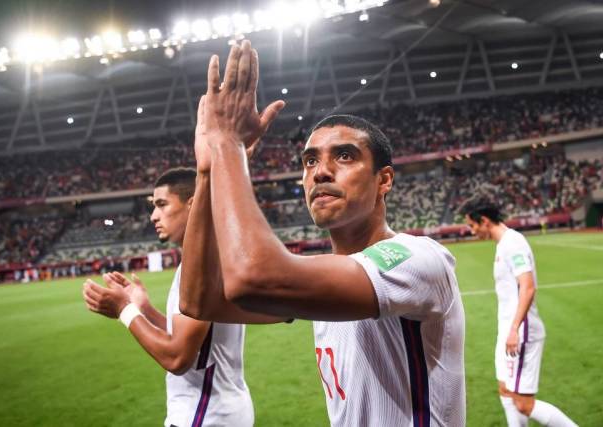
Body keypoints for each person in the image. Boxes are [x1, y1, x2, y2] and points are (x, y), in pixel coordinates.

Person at [179, 39, 465, 426]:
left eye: (344, 156)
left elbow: (253, 277)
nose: (321, 172)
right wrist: (207, 171)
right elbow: (199, 301)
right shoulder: (329, 276)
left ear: (384, 180)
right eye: (310, 160)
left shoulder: (417, 258)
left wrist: (227, 144)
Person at [82, 166, 269, 427]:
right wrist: (145, 309)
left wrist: (124, 309)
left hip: (204, 414)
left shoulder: (202, 268)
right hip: (221, 408)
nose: (153, 216)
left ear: (193, 205)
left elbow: (177, 357)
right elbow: (190, 337)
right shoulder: (205, 260)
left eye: (162, 205)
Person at [461, 196, 578, 427]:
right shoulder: (503, 245)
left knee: (524, 403)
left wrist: (514, 329)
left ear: (484, 220)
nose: (471, 231)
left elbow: (528, 286)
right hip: (509, 330)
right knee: (505, 390)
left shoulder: (513, 243)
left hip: (522, 332)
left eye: (472, 225)